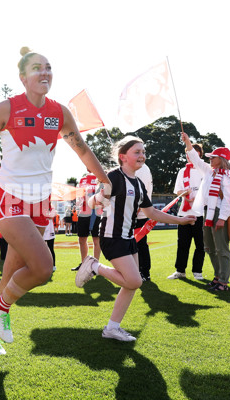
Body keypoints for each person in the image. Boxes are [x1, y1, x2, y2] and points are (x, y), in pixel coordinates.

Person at [0, 47, 112, 355]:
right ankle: (1, 306)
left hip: (41, 203)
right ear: (23, 77)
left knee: (10, 274)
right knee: (44, 268)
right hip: (9, 197)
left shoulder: (59, 112)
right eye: (37, 68)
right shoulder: (6, 109)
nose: (44, 73)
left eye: (48, 67)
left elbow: (83, 150)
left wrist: (105, 179)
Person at [75, 136, 196, 342]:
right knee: (134, 280)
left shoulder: (139, 184)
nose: (142, 155)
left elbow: (152, 213)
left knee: (130, 285)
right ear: (123, 157)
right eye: (137, 152)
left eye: (143, 152)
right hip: (112, 237)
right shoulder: (112, 176)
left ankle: (112, 328)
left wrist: (181, 220)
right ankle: (94, 267)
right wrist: (98, 198)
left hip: (129, 238)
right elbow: (90, 201)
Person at [181, 132, 230, 291]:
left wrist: (222, 218)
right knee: (209, 246)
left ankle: (223, 281)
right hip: (208, 213)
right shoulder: (210, 171)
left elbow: (229, 200)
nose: (210, 159)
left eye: (213, 157)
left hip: (218, 214)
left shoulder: (228, 176)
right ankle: (217, 276)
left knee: (221, 248)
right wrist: (188, 141)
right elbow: (195, 159)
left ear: (222, 159)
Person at [169, 144, 206, 280]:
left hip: (199, 213)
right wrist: (185, 193)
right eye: (189, 154)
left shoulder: (204, 170)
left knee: (200, 244)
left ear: (199, 155)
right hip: (184, 213)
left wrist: (198, 198)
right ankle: (180, 271)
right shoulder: (182, 171)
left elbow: (208, 191)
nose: (191, 156)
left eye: (194, 154)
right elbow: (177, 191)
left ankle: (197, 271)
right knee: (183, 244)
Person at [72, 172, 102, 271]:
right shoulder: (82, 179)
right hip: (83, 213)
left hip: (96, 213)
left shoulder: (100, 177)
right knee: (82, 240)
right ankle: (84, 264)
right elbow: (79, 196)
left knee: (96, 239)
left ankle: (95, 265)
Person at [134, 163, 153, 281]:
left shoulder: (141, 169)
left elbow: (141, 194)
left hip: (138, 215)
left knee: (139, 244)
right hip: (137, 214)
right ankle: (140, 271)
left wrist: (134, 212)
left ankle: (144, 272)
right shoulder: (141, 168)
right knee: (137, 244)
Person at [43, 206, 57, 272]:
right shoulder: (41, 208)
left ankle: (53, 265)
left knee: (51, 248)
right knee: (41, 250)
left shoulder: (52, 208)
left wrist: (45, 215)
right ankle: (42, 265)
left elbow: (52, 216)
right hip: (42, 230)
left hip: (50, 231)